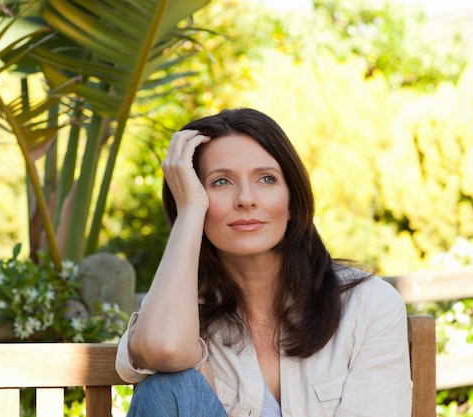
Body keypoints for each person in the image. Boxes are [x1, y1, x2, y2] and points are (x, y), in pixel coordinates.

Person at [116, 108, 412, 416]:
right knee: (168, 387)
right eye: (221, 182)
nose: (246, 199)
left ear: (292, 203)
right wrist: (189, 209)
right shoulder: (179, 314)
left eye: (267, 179)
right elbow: (164, 348)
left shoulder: (367, 306)